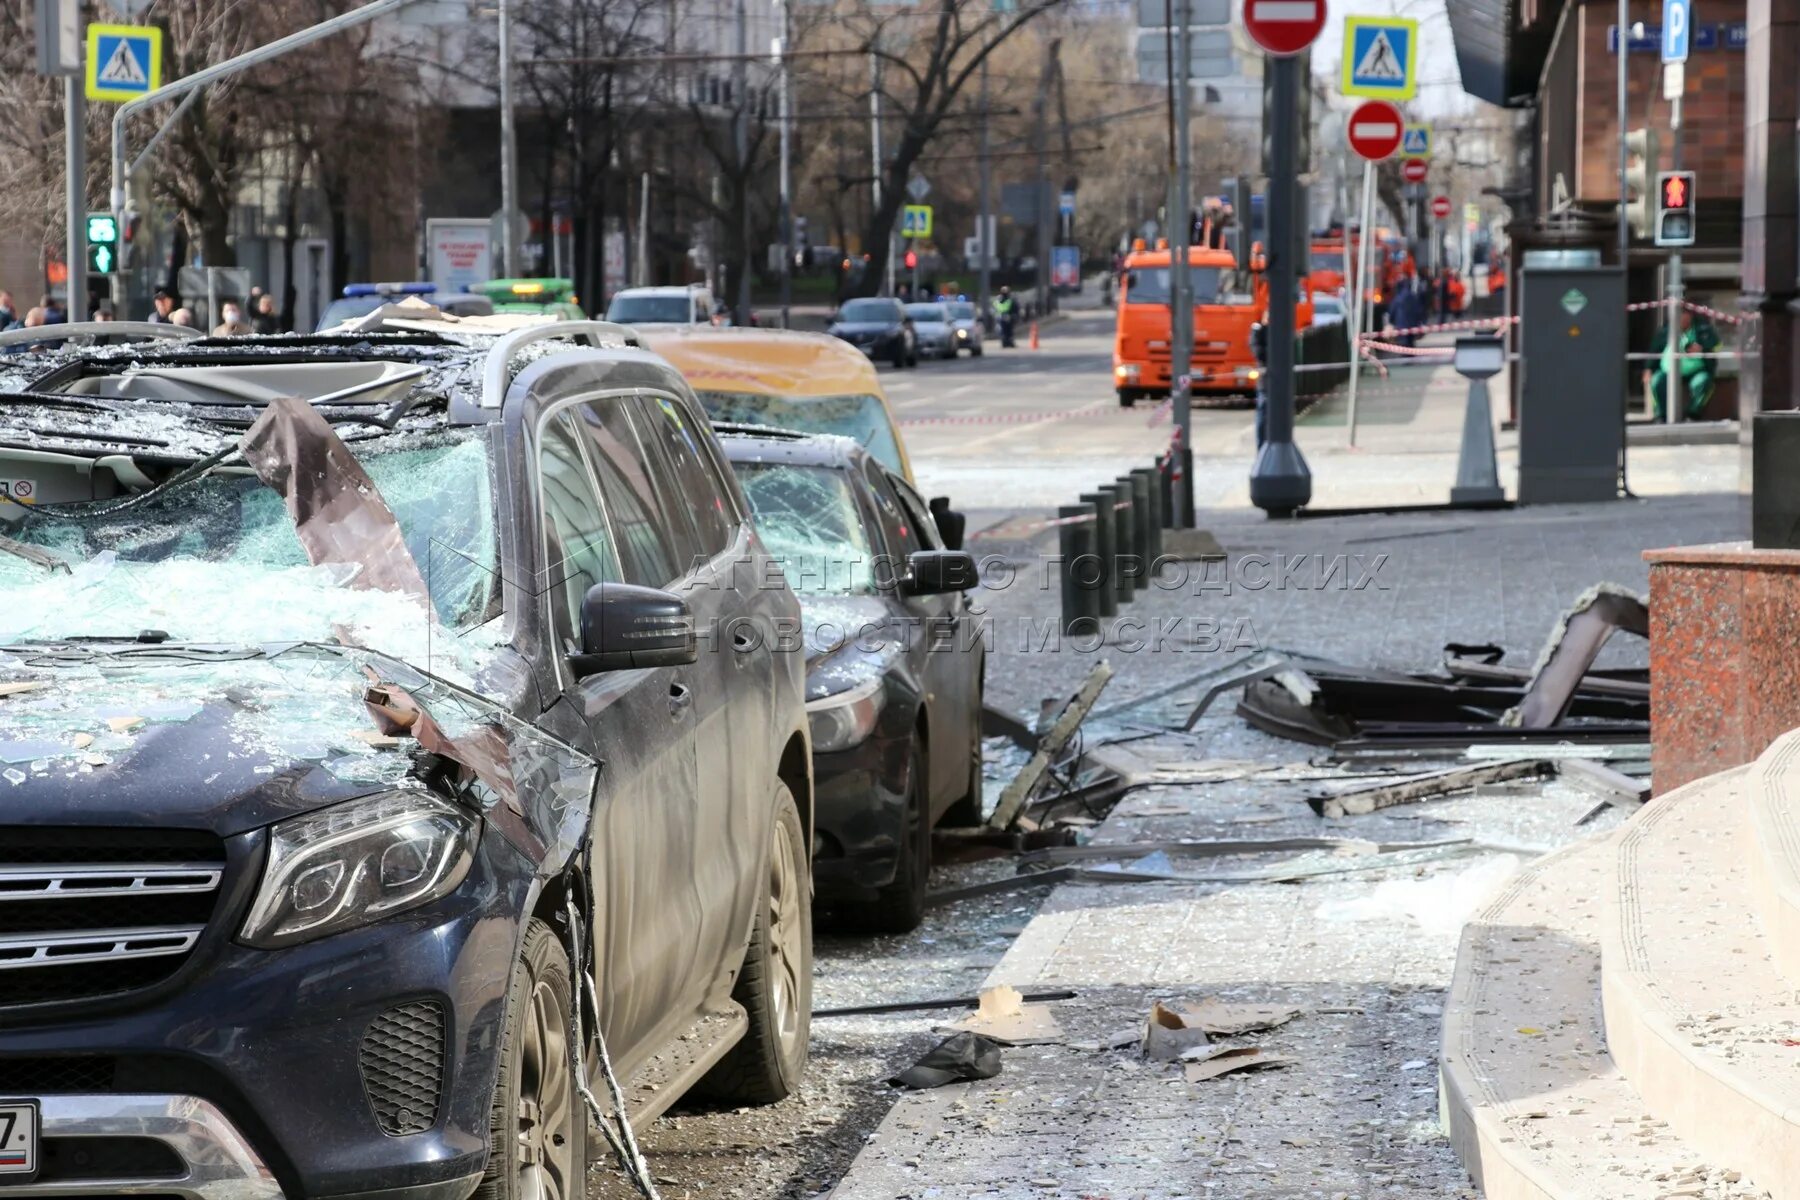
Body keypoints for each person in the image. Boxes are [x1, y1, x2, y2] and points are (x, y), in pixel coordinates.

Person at [1646, 306, 1721, 421]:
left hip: (1696, 370)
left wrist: (1702, 349)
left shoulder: (1703, 330)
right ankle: (1661, 415)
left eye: (1683, 315)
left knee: (1703, 381)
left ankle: (1693, 414)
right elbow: (1654, 350)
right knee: (1656, 381)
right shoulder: (1665, 331)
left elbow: (1718, 346)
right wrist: (1648, 369)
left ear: (1690, 316)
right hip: (1667, 371)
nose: (1680, 320)